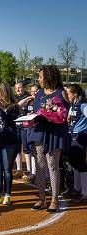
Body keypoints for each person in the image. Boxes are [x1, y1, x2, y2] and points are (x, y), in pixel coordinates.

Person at [28, 65, 69, 212]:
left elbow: (63, 116)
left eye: (40, 76)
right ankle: (41, 198)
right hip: (38, 132)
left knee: (52, 165)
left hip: (54, 134)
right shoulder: (39, 94)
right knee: (39, 165)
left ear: (49, 77)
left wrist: (52, 114)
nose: (38, 79)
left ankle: (54, 200)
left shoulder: (61, 93)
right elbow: (36, 111)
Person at [66, 84, 87, 202]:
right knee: (74, 162)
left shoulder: (82, 104)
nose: (67, 95)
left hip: (81, 135)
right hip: (72, 134)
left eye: (69, 93)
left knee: (80, 163)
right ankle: (76, 189)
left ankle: (84, 192)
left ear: (75, 94)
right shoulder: (73, 104)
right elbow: (70, 117)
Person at [18, 84, 40, 183]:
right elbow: (24, 112)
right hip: (28, 128)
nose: (33, 93)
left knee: (37, 152)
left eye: (36, 91)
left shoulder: (40, 101)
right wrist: (27, 115)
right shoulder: (29, 102)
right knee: (29, 150)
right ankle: (31, 172)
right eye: (32, 91)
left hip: (38, 130)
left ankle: (37, 174)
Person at [14, 81, 31, 178]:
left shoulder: (29, 98)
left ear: (24, 88)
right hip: (16, 126)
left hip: (25, 126)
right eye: (16, 88)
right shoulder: (14, 98)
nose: (18, 90)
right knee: (17, 148)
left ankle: (28, 170)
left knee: (26, 148)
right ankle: (19, 169)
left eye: (19, 88)